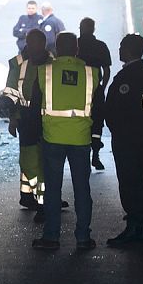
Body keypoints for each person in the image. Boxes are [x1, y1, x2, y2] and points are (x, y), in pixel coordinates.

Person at [32, 32, 102, 251]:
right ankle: (83, 237)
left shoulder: (44, 71)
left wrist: (37, 134)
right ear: (77, 49)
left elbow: (36, 106)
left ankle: (51, 238)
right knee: (82, 189)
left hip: (52, 138)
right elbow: (97, 106)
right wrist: (95, 135)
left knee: (53, 189)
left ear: (57, 48)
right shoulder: (92, 73)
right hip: (81, 138)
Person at [0, 29, 50, 222]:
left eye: (35, 43)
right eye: (29, 43)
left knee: (45, 164)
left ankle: (44, 203)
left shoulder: (52, 64)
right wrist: (7, 110)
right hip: (28, 120)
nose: (30, 47)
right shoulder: (19, 65)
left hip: (48, 121)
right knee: (30, 163)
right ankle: (40, 199)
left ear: (43, 44)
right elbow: (12, 94)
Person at [103, 34, 143, 247]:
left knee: (129, 181)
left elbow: (120, 108)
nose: (118, 51)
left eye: (121, 47)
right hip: (140, 136)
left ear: (128, 50)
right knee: (138, 181)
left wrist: (118, 128)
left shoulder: (129, 78)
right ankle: (138, 226)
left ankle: (135, 228)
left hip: (128, 139)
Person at [77, 17, 112, 170]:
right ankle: (95, 156)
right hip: (96, 91)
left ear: (80, 28)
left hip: (76, 92)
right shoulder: (101, 46)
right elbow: (107, 70)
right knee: (97, 124)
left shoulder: (75, 45)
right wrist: (102, 88)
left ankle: (83, 156)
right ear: (93, 29)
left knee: (80, 123)